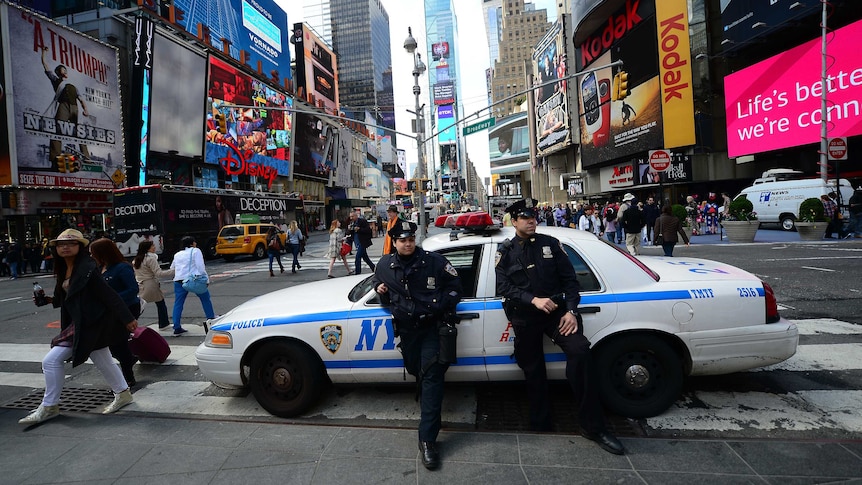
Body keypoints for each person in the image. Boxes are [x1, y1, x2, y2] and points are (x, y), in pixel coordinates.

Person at [494, 199, 624, 455]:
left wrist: (572, 312)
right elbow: (503, 287)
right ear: (514, 221)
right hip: (526, 317)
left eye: (533, 216)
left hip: (557, 314)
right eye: (525, 217)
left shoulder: (551, 245)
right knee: (533, 371)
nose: (531, 221)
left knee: (580, 352)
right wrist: (532, 299)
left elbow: (570, 283)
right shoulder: (506, 251)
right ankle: (541, 422)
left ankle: (594, 427)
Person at [19, 229, 137, 425]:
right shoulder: (64, 267)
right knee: (103, 359)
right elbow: (68, 295)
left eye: (71, 243)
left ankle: (50, 406)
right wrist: (49, 300)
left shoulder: (87, 268)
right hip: (82, 321)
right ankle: (123, 393)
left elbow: (108, 294)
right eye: (60, 244)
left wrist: (127, 318)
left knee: (51, 361)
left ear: (80, 247)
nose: (65, 247)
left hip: (91, 322)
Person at [372, 220, 462, 470]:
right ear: (395, 242)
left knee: (432, 377)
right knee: (416, 370)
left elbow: (456, 289)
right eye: (403, 240)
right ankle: (423, 392)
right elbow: (377, 283)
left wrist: (434, 308)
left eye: (411, 239)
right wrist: (379, 289)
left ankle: (427, 440)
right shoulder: (385, 265)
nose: (408, 244)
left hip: (433, 328)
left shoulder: (434, 262)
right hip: (408, 332)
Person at [89, 238, 141, 387]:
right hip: (108, 311)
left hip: (126, 309)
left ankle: (128, 378)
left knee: (119, 342)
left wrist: (111, 299)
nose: (92, 257)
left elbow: (132, 290)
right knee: (111, 344)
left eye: (94, 254)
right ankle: (129, 359)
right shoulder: (100, 268)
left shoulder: (122, 267)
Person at [42, 46, 90, 168]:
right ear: (59, 73)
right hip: (63, 106)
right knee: (58, 131)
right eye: (63, 70)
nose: (65, 72)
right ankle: (55, 158)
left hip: (75, 108)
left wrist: (85, 109)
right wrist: (43, 53)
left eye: (66, 70)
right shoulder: (56, 80)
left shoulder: (73, 86)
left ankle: (87, 157)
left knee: (79, 132)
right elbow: (46, 66)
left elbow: (80, 98)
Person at [170, 236, 216, 336]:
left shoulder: (177, 254)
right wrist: (206, 279)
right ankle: (211, 320)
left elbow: (172, 267)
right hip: (194, 279)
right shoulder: (196, 251)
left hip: (179, 280)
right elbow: (200, 266)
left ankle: (176, 327)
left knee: (178, 303)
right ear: (192, 243)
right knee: (205, 299)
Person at [133, 241, 174, 330]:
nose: (154, 247)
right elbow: (159, 273)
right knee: (160, 304)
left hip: (141, 284)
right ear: (148, 248)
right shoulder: (151, 259)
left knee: (139, 306)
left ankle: (130, 322)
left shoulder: (137, 259)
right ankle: (164, 324)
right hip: (151, 284)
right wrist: (175, 271)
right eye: (153, 246)